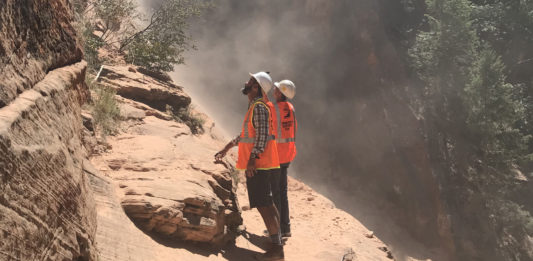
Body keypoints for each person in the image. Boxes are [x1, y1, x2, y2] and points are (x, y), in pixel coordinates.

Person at [215, 72, 284, 261]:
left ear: (256, 88)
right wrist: (227, 147)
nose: (246, 82)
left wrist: (253, 158)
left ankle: (277, 251)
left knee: (264, 205)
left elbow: (261, 135)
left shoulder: (259, 107)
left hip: (259, 165)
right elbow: (246, 134)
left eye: (251, 81)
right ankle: (276, 241)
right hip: (265, 163)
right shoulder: (256, 106)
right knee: (268, 204)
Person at [273, 80, 297, 238]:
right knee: (283, 192)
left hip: (276, 155)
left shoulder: (274, 109)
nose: (273, 90)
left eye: (276, 89)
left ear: (281, 93)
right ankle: (286, 227)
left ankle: (277, 229)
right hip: (287, 154)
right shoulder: (291, 108)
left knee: (276, 193)